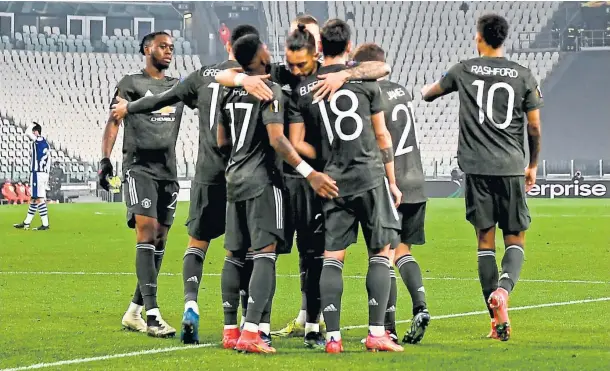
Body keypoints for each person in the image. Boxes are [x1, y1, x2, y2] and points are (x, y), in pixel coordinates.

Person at [110, 24, 260, 345]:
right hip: (243, 174)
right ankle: (243, 322)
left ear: (228, 45)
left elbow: (159, 99)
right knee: (241, 249)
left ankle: (190, 304)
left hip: (206, 174)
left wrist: (127, 108)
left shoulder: (200, 76)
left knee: (196, 244)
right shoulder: (261, 78)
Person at [422, 14, 543, 341]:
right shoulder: (523, 75)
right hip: (511, 167)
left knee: (484, 242)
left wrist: (438, 84)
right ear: (503, 39)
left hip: (475, 168)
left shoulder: (464, 69)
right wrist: (532, 164)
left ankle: (496, 323)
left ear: (479, 38)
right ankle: (503, 291)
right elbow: (534, 127)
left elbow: (428, 94)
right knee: (515, 238)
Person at [217, 33, 338, 354]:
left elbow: (221, 142)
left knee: (233, 255)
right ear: (259, 55)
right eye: (266, 49)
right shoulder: (270, 89)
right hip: (265, 181)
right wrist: (309, 172)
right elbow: (277, 140)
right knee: (265, 255)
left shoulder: (230, 93)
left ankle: (232, 329)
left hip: (234, 177)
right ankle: (254, 331)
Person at [289, 19, 403, 353]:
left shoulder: (306, 88)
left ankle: (334, 338)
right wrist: (392, 182)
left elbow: (297, 142)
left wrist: (324, 157)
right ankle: (376, 332)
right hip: (368, 176)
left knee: (332, 257)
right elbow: (382, 134)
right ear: (349, 46)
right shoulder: (367, 83)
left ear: (320, 47)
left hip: (333, 180)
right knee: (381, 252)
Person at [99, 31, 185, 338]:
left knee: (159, 240)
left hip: (169, 172)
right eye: (163, 46)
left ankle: (134, 311)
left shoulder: (177, 86)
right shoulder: (130, 83)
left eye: (172, 48)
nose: (168, 51)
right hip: (139, 168)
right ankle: (152, 315)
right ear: (147, 49)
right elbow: (114, 121)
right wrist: (105, 158)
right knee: (146, 231)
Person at [353, 43, 431, 345]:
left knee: (382, 256)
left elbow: (379, 139)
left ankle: (388, 327)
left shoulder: (371, 96)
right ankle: (421, 307)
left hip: (391, 181)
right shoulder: (402, 91)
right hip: (417, 179)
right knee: (403, 252)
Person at [13, 122, 51, 230]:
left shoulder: (37, 141)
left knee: (39, 198)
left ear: (36, 132)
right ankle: (26, 222)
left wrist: (31, 124)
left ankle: (45, 224)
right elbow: (49, 162)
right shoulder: (46, 144)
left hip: (37, 173)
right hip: (44, 173)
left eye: (34, 131)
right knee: (34, 198)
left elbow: (27, 133)